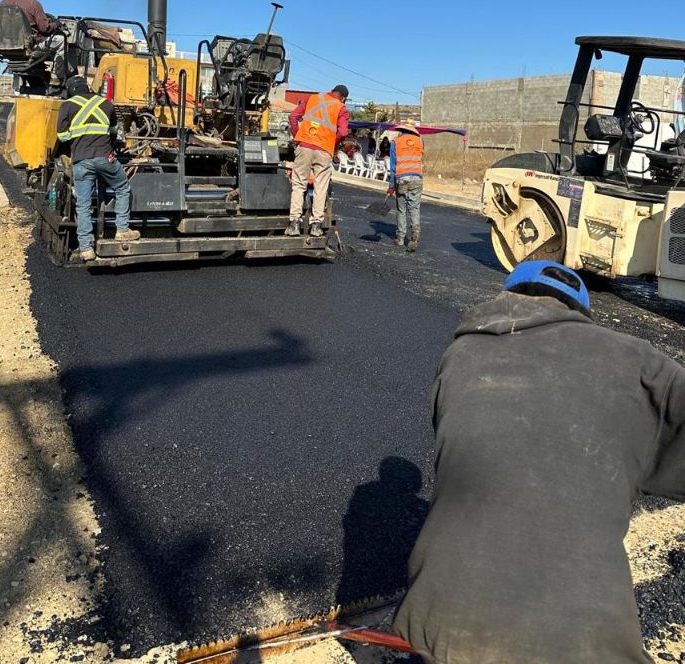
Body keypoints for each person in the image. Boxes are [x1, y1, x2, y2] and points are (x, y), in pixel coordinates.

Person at [393, 260, 685, 664]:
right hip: (584, 643)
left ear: (507, 297)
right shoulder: (636, 361)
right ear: (579, 315)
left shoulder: (459, 355)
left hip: (440, 626)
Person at [55, 75, 140, 262]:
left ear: (70, 90)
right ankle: (122, 230)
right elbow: (114, 132)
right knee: (123, 188)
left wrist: (78, 136)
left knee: (83, 204)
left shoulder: (67, 106)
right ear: (88, 87)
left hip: (81, 161)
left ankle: (86, 248)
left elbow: (62, 136)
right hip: (104, 158)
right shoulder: (106, 104)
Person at [285, 84, 350, 237]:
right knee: (320, 187)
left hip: (304, 146)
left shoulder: (313, 98)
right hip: (324, 150)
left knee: (299, 184)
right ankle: (316, 226)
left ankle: (294, 224)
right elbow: (343, 132)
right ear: (344, 98)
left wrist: (297, 137)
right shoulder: (341, 108)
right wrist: (332, 143)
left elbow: (293, 116)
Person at [0, 0, 66, 89]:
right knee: (61, 40)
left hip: (5, 46)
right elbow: (44, 28)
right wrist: (55, 24)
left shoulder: (3, 3)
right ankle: (56, 76)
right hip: (29, 46)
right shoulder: (34, 4)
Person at [387, 124, 424, 252]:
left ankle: (401, 238)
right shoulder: (420, 141)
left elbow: (393, 166)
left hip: (401, 179)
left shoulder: (395, 142)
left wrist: (391, 185)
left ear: (401, 131)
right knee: (414, 208)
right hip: (417, 178)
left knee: (401, 208)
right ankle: (415, 236)